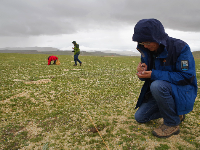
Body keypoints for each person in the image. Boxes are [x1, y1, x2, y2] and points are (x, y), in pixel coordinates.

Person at [132, 18, 197, 138]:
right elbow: (149, 77)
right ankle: (176, 113)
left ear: (157, 38)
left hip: (181, 91)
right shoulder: (147, 51)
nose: (145, 46)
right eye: (142, 43)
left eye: (147, 42)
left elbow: (187, 76)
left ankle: (172, 123)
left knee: (157, 86)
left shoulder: (180, 48)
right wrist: (142, 72)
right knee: (140, 117)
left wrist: (153, 74)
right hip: (162, 93)